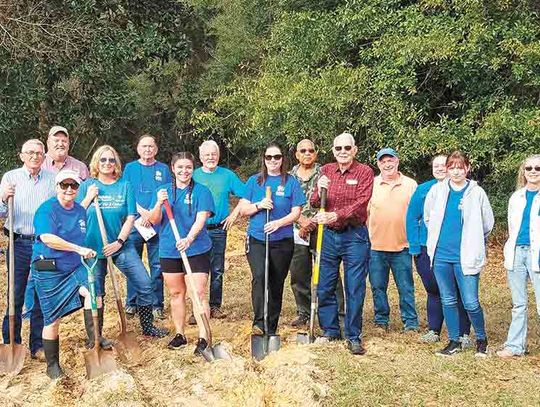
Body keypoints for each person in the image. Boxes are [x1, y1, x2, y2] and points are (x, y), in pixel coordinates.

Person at [77, 145, 168, 341]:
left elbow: (130, 217)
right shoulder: (87, 186)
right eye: (103, 160)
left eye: (111, 160)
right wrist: (88, 198)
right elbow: (75, 215)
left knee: (144, 284)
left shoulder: (124, 185)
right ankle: (95, 337)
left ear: (116, 163)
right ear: (96, 162)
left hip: (120, 246)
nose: (107, 163)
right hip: (92, 249)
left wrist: (119, 241)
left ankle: (147, 326)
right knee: (96, 293)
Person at [424, 151, 494, 357]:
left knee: (470, 301)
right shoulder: (437, 191)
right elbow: (428, 218)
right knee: (448, 299)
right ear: (446, 170)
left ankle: (481, 339)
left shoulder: (477, 192)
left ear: (467, 168)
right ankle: (454, 340)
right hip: (441, 256)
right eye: (451, 167)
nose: (455, 172)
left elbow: (487, 223)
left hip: (466, 256)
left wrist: (474, 242)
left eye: (459, 167)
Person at [311, 132, 373, 355]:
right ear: (333, 150)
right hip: (328, 236)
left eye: (347, 148)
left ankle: (353, 335)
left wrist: (335, 215)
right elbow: (314, 201)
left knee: (354, 287)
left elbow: (360, 204)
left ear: (354, 150)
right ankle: (330, 330)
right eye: (338, 148)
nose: (343, 152)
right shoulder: (326, 170)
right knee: (325, 285)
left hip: (354, 237)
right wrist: (319, 189)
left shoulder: (365, 172)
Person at [147, 152, 215, 354]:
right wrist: (159, 203)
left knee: (198, 293)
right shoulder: (163, 191)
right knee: (176, 293)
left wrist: (189, 239)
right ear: (173, 168)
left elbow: (201, 218)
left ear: (192, 169)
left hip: (196, 248)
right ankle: (180, 334)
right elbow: (154, 219)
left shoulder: (202, 191)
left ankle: (204, 336)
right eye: (180, 167)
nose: (184, 171)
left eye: (188, 167)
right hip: (169, 249)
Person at [31, 170, 97, 379]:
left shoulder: (79, 210)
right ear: (57, 186)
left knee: (94, 295)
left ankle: (95, 342)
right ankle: (52, 366)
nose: (69, 189)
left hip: (74, 267)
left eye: (73, 185)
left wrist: (85, 251)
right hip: (49, 268)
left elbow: (79, 234)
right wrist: (79, 249)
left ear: (78, 189)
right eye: (64, 185)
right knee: (53, 319)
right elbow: (48, 238)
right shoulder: (46, 209)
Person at [406, 155, 472, 346]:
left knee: (458, 290)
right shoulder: (424, 190)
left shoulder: (466, 190)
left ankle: (463, 333)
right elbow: (412, 218)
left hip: (455, 249)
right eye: (436, 165)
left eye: (444, 165)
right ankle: (434, 330)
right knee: (433, 289)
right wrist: (414, 245)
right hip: (426, 248)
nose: (440, 168)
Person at [240, 143, 305, 336]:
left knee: (276, 283)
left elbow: (296, 212)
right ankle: (259, 323)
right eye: (269, 157)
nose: (273, 161)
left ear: (282, 159)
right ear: (264, 159)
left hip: (282, 241)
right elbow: (243, 209)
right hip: (258, 239)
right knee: (260, 278)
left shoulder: (291, 182)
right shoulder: (255, 181)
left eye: (277, 157)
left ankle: (271, 325)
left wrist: (279, 223)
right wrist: (259, 205)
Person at [0, 139, 55, 360]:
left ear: (44, 156)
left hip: (43, 244)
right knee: (15, 292)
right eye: (30, 153)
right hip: (18, 243)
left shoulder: (52, 180)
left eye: (39, 153)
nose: (34, 156)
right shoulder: (10, 178)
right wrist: (4, 198)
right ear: (22, 155)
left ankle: (38, 345)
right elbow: (1, 211)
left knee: (42, 293)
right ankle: (11, 342)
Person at [288, 139, 345, 327]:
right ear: (296, 154)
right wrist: (300, 221)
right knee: (299, 273)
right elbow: (285, 204)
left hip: (321, 229)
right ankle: (303, 311)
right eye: (302, 150)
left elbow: (333, 200)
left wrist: (311, 224)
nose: (307, 153)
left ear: (316, 153)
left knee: (329, 271)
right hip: (296, 230)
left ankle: (338, 311)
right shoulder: (288, 177)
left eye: (310, 150)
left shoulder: (326, 173)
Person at [192, 140, 245, 321]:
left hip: (218, 229)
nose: (210, 158)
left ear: (218, 156)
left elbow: (246, 194)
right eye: (206, 155)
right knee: (196, 268)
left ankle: (215, 306)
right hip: (196, 230)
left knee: (217, 268)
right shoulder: (193, 175)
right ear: (200, 157)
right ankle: (197, 308)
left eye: (213, 154)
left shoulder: (227, 175)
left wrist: (234, 214)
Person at [368, 148, 419, 332]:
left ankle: (410, 322)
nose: (387, 164)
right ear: (378, 164)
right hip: (375, 246)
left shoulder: (411, 185)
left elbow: (417, 215)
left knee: (406, 287)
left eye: (391, 160)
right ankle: (381, 320)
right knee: (378, 287)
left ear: (397, 161)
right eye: (383, 161)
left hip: (402, 246)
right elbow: (365, 213)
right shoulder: (371, 184)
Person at [122, 135, 172, 319]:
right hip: (134, 223)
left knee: (157, 266)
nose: (148, 150)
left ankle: (156, 304)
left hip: (157, 224)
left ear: (156, 149)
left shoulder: (163, 169)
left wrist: (152, 214)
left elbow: (166, 193)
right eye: (144, 146)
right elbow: (127, 193)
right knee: (132, 264)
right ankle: (132, 302)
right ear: (138, 148)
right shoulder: (130, 168)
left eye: (151, 146)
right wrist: (144, 213)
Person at [497, 154, 540, 358]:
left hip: (536, 254)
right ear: (523, 172)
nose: (533, 172)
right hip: (516, 253)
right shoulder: (516, 197)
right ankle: (515, 346)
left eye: (537, 168)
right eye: (529, 168)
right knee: (519, 304)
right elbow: (512, 228)